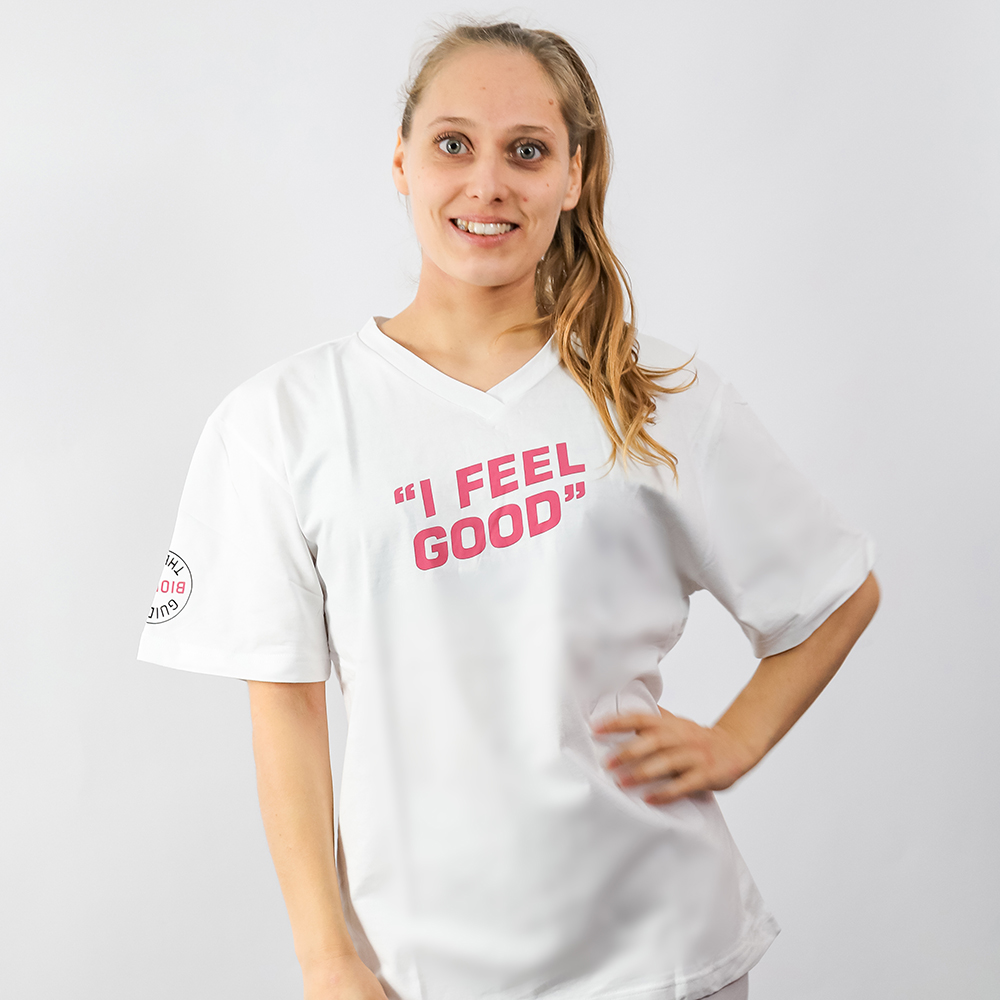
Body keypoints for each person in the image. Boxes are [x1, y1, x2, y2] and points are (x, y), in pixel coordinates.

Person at [138, 20, 879, 1000]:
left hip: (659, 953)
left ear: (573, 176)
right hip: (420, 969)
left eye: (526, 151)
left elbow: (835, 593)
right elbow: (285, 703)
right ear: (401, 163)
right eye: (454, 144)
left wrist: (737, 738)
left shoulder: (652, 394)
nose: (487, 182)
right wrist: (326, 956)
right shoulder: (280, 422)